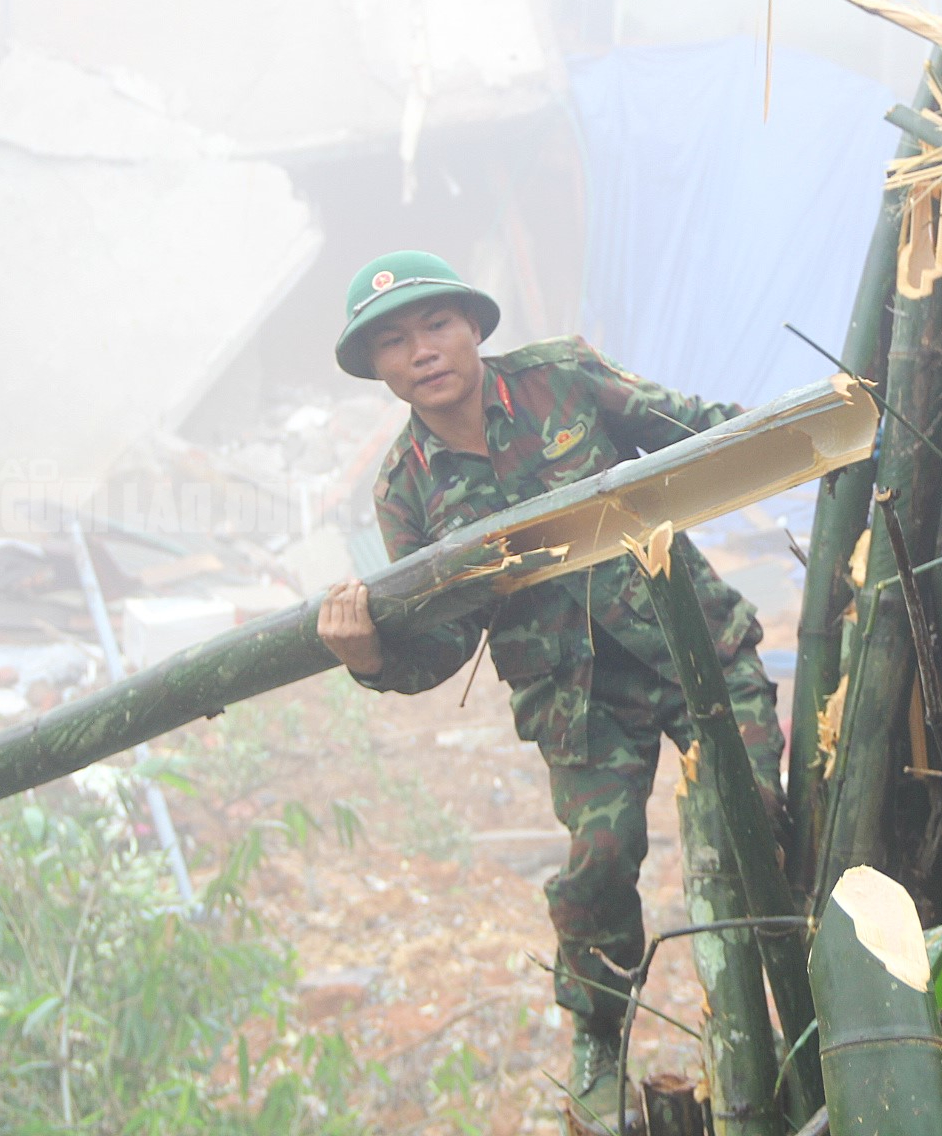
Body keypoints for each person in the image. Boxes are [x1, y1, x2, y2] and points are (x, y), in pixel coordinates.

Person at [315, 250, 785, 1131]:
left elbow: (687, 427)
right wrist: (368, 655)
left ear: (474, 327)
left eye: (437, 325)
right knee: (601, 866)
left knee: (755, 816)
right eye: (394, 341)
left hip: (694, 650)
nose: (422, 351)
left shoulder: (559, 379)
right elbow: (445, 640)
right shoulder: (404, 487)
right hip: (577, 702)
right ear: (374, 368)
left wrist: (807, 438)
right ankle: (601, 1039)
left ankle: (798, 1007)